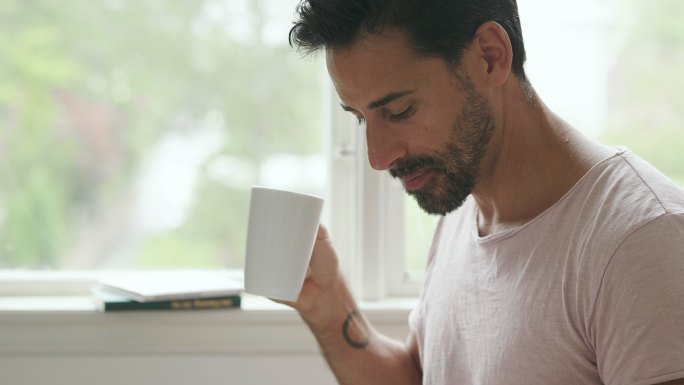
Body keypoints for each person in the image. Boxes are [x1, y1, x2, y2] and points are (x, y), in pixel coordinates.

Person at [281, 0, 684, 384]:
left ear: (490, 56)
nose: (378, 157)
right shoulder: (463, 203)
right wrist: (327, 304)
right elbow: (421, 378)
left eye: (400, 111)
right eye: (359, 118)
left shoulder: (642, 241)